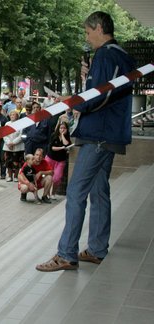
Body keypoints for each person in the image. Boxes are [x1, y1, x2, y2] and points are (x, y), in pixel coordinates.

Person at [36, 11, 136, 272]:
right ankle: (96, 249)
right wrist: (88, 79)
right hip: (110, 134)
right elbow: (107, 90)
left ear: (100, 28)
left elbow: (99, 96)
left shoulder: (105, 54)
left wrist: (74, 101)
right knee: (99, 192)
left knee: (76, 192)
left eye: (88, 32)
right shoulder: (123, 56)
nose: (87, 38)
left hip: (97, 135)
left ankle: (66, 253)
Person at [45, 122, 71, 198]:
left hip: (60, 160)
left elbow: (66, 144)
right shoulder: (54, 135)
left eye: (64, 128)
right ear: (58, 128)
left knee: (57, 178)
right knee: (48, 176)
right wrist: (62, 148)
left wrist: (62, 135)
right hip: (51, 158)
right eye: (61, 128)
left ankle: (53, 193)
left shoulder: (67, 136)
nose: (62, 129)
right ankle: (47, 193)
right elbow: (52, 148)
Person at [3, 110, 25, 182]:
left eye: (14, 115)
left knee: (17, 162)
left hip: (17, 146)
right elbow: (4, 135)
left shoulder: (21, 124)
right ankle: (9, 176)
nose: (12, 116)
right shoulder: (7, 124)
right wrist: (9, 143)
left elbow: (21, 135)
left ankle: (16, 176)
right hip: (8, 146)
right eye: (11, 115)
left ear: (17, 116)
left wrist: (13, 143)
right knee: (8, 162)